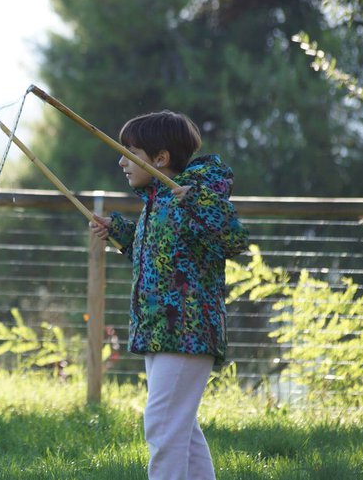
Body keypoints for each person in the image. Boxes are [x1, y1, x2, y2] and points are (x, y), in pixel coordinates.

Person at [89, 110, 249, 480]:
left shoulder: (193, 195)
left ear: (160, 158)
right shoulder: (156, 201)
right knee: (182, 431)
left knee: (163, 425)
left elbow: (235, 238)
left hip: (187, 331)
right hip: (161, 331)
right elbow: (166, 254)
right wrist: (122, 232)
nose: (121, 161)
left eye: (130, 152)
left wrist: (195, 202)